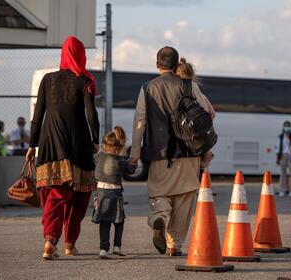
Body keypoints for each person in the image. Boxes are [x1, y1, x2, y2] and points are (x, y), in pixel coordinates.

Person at [129, 47, 211, 257]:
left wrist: (135, 153)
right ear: (176, 65)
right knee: (184, 198)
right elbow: (208, 112)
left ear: (157, 65)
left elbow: (140, 121)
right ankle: (175, 244)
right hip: (188, 152)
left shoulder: (147, 88)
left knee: (160, 192)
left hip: (159, 153)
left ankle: (160, 217)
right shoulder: (188, 84)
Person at [25, 36, 100, 260]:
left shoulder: (47, 80)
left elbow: (37, 116)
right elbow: (91, 115)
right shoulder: (84, 80)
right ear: (81, 55)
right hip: (78, 143)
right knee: (79, 196)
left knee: (55, 193)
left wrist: (32, 144)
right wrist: (95, 140)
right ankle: (68, 243)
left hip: (50, 142)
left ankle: (50, 239)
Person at [91, 126, 135, 259]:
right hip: (115, 194)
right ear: (119, 146)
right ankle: (117, 247)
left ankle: (103, 249)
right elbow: (131, 171)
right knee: (118, 221)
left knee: (105, 222)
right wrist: (133, 163)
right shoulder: (121, 161)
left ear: (105, 145)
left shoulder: (98, 156)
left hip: (101, 193)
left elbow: (92, 159)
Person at [175, 57, 215, 170]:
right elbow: (205, 107)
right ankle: (205, 153)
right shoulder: (193, 85)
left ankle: (205, 154)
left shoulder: (183, 85)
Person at [275, 121, 291, 197]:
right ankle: (282, 190)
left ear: (290, 127)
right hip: (283, 155)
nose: (287, 127)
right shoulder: (280, 137)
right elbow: (277, 148)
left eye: (288, 126)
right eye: (286, 126)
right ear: (283, 127)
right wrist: (277, 159)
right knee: (283, 174)